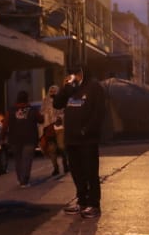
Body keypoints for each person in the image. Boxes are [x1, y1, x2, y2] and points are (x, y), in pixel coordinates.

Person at [59, 65, 106, 218]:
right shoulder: (70, 88)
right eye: (71, 73)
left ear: (82, 72)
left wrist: (87, 129)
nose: (74, 76)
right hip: (71, 139)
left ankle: (94, 204)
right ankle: (82, 202)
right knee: (76, 172)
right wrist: (65, 88)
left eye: (76, 73)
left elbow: (99, 112)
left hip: (87, 139)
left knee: (90, 173)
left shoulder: (94, 87)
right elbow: (57, 104)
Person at [6, 90, 43, 188]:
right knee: (27, 160)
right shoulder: (32, 110)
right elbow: (41, 119)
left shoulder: (11, 110)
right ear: (27, 99)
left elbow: (5, 124)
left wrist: (3, 136)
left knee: (18, 160)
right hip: (29, 138)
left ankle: (20, 179)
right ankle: (24, 181)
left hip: (14, 139)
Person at [42, 84, 67, 177]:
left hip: (60, 128)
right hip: (49, 128)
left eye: (54, 91)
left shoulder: (62, 100)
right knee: (52, 149)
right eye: (51, 91)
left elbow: (65, 111)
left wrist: (60, 118)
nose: (52, 93)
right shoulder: (45, 101)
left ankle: (65, 164)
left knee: (61, 147)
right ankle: (55, 168)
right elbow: (42, 112)